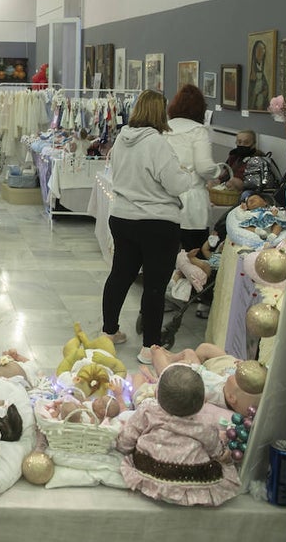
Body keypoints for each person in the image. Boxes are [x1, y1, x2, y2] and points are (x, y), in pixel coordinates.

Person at [101, 90, 197, 365]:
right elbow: (176, 184)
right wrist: (186, 174)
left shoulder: (122, 138)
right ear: (160, 112)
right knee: (155, 284)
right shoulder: (157, 144)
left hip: (122, 216)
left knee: (120, 275)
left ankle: (109, 332)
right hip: (156, 221)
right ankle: (150, 347)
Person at [116, 364, 240, 506]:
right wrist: (223, 451)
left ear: (156, 394)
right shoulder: (205, 422)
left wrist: (122, 446)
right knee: (222, 464)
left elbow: (128, 438)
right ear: (203, 402)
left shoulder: (148, 410)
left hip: (149, 468)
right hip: (192, 476)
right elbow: (215, 450)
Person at [165, 84, 218, 251]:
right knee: (193, 253)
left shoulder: (164, 128)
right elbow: (204, 167)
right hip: (192, 200)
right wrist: (218, 171)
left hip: (165, 198)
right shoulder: (198, 131)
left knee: (166, 253)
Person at [247, 40, 269, 111]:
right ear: (254, 52)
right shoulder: (252, 70)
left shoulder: (262, 70)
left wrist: (263, 92)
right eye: (258, 50)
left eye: (262, 51)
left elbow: (265, 87)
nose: (261, 53)